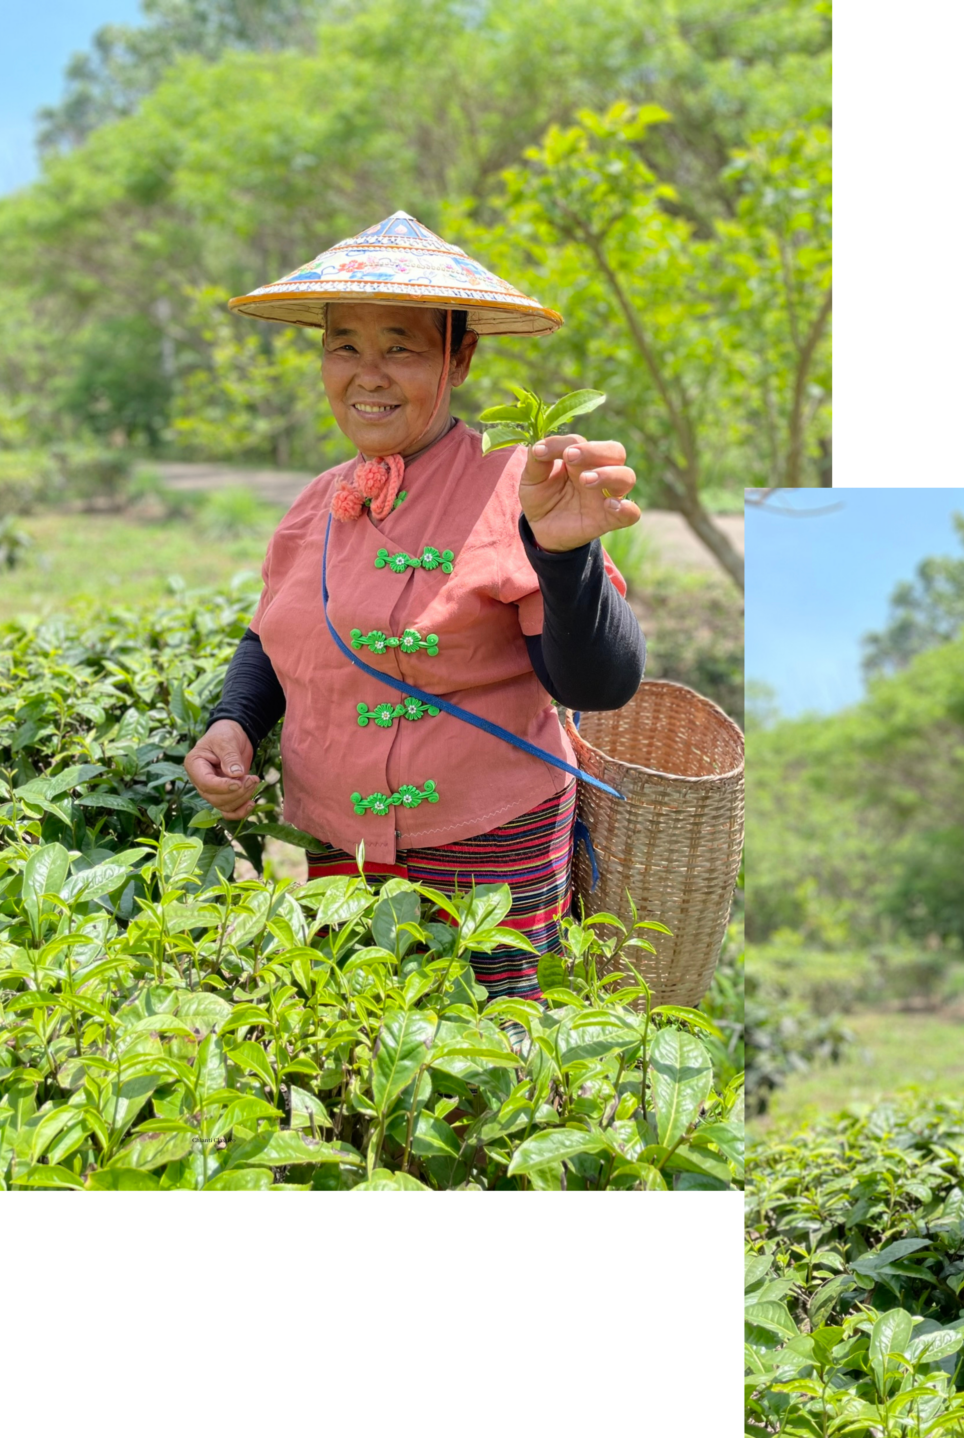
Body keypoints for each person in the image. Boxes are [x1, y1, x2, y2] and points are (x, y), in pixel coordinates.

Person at [181, 211, 645, 999]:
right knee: (366, 1054)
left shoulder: (517, 490)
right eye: (344, 347)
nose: (368, 373)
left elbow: (598, 685)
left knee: (495, 1063)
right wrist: (233, 723)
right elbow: (273, 635)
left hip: (490, 841)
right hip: (340, 843)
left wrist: (565, 556)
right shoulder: (314, 502)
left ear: (458, 356)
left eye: (399, 347)